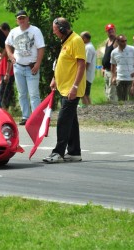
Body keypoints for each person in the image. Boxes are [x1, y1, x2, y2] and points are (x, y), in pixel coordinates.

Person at [43, 17, 86, 163]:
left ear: (62, 29)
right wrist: (55, 78)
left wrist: (74, 87)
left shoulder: (76, 40)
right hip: (64, 87)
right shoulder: (66, 41)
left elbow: (81, 65)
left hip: (71, 89)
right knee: (71, 121)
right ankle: (74, 152)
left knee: (63, 120)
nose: (54, 33)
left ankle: (58, 152)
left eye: (55, 30)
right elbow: (63, 63)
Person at [5, 10, 45, 125]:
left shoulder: (35, 31)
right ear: (16, 20)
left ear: (27, 19)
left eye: (23, 18)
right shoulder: (14, 31)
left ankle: (36, 117)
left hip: (31, 66)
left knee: (33, 94)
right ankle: (25, 116)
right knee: (22, 93)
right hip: (18, 66)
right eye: (19, 18)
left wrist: (38, 63)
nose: (21, 20)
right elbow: (7, 43)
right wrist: (10, 54)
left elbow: (41, 48)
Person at [110, 35, 134, 101]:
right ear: (117, 41)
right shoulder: (114, 52)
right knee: (121, 100)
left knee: (132, 100)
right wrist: (113, 77)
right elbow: (113, 65)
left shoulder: (133, 50)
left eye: (125, 41)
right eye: (122, 41)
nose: (124, 43)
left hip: (131, 79)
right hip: (120, 79)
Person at [0, 22, 14, 110]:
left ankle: (4, 108)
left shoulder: (10, 42)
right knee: (4, 89)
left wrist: (7, 72)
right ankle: (9, 106)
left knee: (6, 90)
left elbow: (9, 57)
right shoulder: (2, 40)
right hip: (2, 68)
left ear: (7, 31)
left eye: (1, 31)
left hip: (9, 69)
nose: (0, 33)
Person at [101, 23, 118, 102]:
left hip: (113, 70)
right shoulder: (107, 41)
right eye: (108, 31)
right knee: (107, 91)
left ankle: (114, 110)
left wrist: (116, 72)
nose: (110, 32)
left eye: (112, 30)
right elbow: (106, 55)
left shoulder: (117, 41)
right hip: (106, 70)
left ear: (115, 30)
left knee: (112, 92)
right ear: (106, 32)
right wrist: (103, 67)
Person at [80, 31, 96, 106]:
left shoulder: (88, 48)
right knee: (86, 93)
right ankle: (90, 107)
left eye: (81, 37)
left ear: (85, 38)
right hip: (88, 75)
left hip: (86, 75)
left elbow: (87, 62)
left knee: (83, 93)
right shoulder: (89, 46)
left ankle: (87, 108)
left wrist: (82, 73)